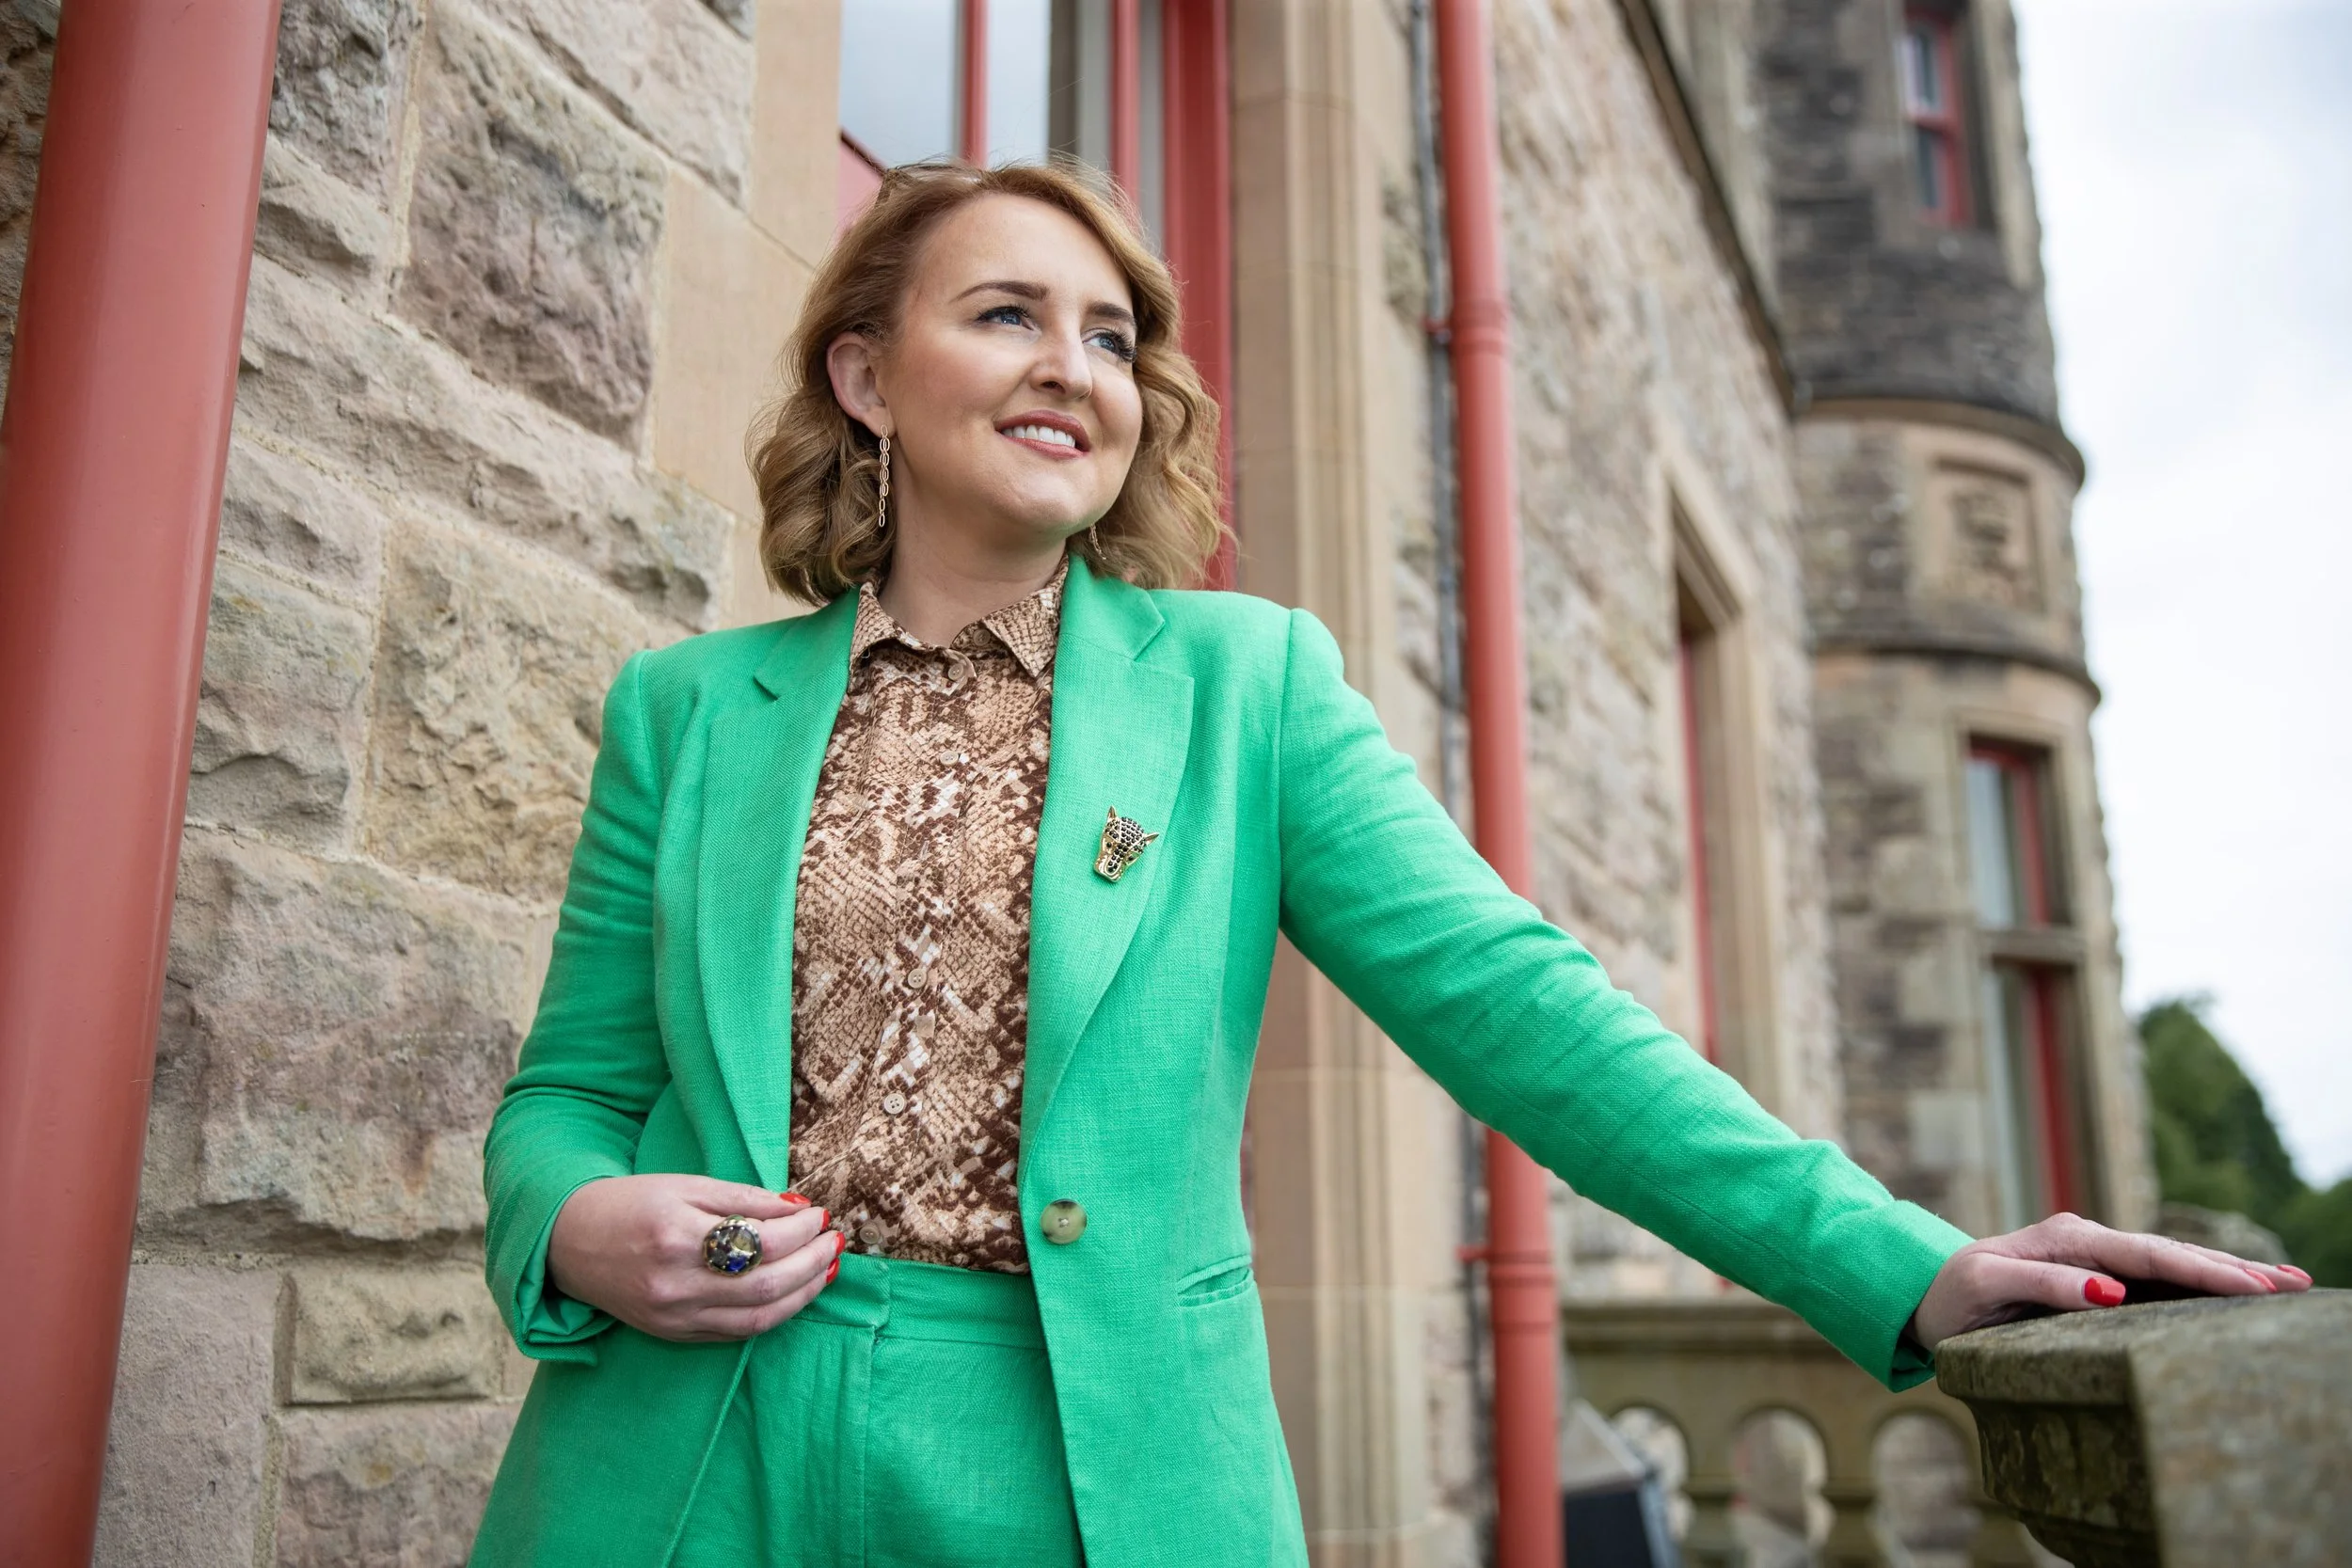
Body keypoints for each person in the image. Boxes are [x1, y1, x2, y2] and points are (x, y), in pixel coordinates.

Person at [469, 161, 2306, 1568]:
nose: (1073, 368)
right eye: (1007, 316)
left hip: (1077, 1453)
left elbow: (1523, 1011)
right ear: (866, 375)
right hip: (681, 1450)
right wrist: (567, 1220)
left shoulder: (1244, 689)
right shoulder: (685, 710)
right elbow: (568, 1085)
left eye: (1111, 335)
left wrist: (1898, 1263)